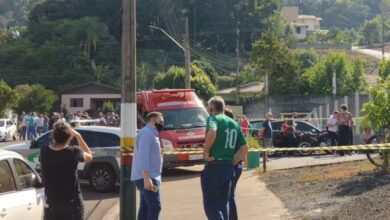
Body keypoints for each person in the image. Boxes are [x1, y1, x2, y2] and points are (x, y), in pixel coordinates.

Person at [202, 96, 248, 220]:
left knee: (211, 206)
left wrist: (206, 152)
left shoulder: (213, 118)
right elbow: (244, 148)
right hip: (228, 167)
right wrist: (232, 161)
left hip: (213, 167)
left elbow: (212, 130)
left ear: (211, 108)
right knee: (223, 205)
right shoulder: (234, 123)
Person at [40, 121, 93, 220]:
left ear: (53, 136)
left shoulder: (44, 151)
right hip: (72, 204)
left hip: (52, 205)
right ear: (70, 136)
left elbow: (54, 149)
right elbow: (89, 156)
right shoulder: (74, 152)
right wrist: (79, 136)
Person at [131, 112, 164, 220]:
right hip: (147, 176)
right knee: (155, 206)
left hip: (147, 176)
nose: (162, 124)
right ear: (153, 120)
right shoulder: (147, 134)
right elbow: (143, 156)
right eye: (161, 121)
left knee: (145, 206)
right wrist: (146, 177)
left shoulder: (150, 133)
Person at [224, 108, 241, 220]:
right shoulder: (235, 127)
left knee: (228, 196)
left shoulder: (228, 130)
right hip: (237, 166)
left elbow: (243, 148)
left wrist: (232, 163)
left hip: (232, 166)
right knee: (230, 195)